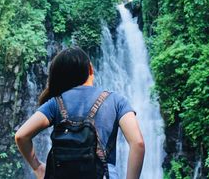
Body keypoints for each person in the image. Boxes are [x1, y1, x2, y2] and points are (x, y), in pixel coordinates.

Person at [15, 47, 145, 179]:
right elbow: (138, 143)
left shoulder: (55, 103)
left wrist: (38, 168)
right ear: (90, 69)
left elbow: (21, 136)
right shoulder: (117, 101)